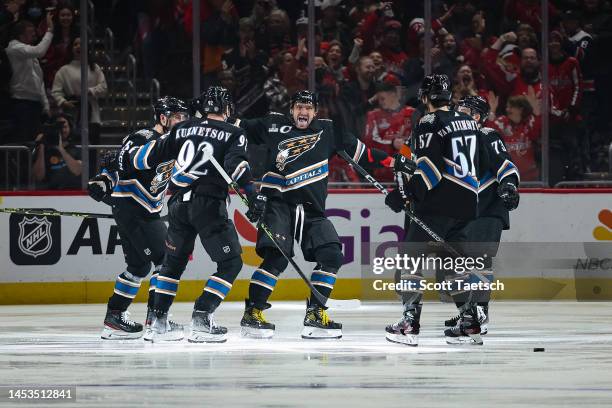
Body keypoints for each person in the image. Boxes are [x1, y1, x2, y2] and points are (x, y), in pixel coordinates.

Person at [236, 90, 393, 339]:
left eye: (308, 108)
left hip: (312, 210)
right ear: (291, 110)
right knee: (276, 258)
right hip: (278, 204)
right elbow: (235, 128)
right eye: (299, 107)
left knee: (332, 255)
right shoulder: (273, 124)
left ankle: (315, 315)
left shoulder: (328, 130)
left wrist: (395, 162)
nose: (303, 112)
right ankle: (253, 314)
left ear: (315, 112)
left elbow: (364, 154)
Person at [119, 86, 263, 343]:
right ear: (227, 109)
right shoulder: (234, 132)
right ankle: (201, 317)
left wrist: (123, 159)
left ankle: (158, 323)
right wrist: (253, 196)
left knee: (172, 265)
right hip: (208, 203)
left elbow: (147, 158)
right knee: (231, 263)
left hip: (177, 204)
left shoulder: (182, 128)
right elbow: (237, 166)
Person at [383, 74, 484, 346]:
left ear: (426, 97)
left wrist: (403, 194)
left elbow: (430, 168)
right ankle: (469, 323)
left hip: (440, 201)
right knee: (454, 265)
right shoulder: (467, 121)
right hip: (467, 202)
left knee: (410, 261)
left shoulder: (429, 122)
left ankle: (409, 324)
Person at [88, 96, 189, 340]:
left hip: (144, 210)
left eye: (184, 118)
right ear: (163, 118)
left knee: (139, 266)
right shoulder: (144, 138)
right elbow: (119, 162)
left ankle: (114, 318)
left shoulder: (173, 144)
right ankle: (156, 320)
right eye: (177, 117)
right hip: (135, 209)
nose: (182, 122)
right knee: (165, 260)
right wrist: (104, 179)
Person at [446, 95, 520, 342]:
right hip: (465, 212)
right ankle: (468, 313)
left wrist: (509, 185)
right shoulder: (455, 140)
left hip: (488, 208)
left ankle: (478, 314)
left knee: (478, 261)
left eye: (463, 110)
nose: (456, 113)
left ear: (476, 117)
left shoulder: (487, 135)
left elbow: (505, 164)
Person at [51, 36, 108, 146]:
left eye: (81, 44)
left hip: (92, 114)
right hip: (72, 113)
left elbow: (104, 87)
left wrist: (90, 91)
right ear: (71, 48)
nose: (78, 47)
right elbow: (56, 91)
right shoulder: (64, 70)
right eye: (75, 44)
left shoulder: (94, 68)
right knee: (73, 146)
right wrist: (63, 102)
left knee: (92, 146)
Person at [5, 14, 53, 143]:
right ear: (21, 35)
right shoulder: (14, 48)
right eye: (30, 32)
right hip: (22, 103)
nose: (34, 35)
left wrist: (46, 105)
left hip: (35, 103)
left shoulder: (28, 52)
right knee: (25, 141)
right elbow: (40, 51)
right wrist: (49, 31)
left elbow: (39, 80)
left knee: (37, 141)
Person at [32, 113, 82, 189]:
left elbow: (77, 170)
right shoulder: (44, 149)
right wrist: (41, 146)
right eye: (58, 128)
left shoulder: (76, 146)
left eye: (65, 127)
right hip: (49, 192)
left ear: (70, 128)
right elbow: (38, 176)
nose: (62, 131)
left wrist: (60, 148)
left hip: (72, 192)